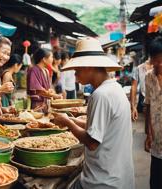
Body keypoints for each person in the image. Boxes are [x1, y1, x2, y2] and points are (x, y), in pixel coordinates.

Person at [54, 37, 134, 189]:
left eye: (77, 70)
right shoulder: (114, 88)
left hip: (102, 182)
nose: (75, 76)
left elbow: (91, 142)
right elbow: (104, 127)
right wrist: (73, 119)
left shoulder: (101, 95)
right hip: (119, 177)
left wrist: (68, 123)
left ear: (88, 67)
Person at [144, 37, 162, 189]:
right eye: (155, 60)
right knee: (155, 183)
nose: (158, 64)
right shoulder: (148, 77)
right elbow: (148, 106)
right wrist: (148, 134)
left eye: (161, 60)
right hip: (157, 142)